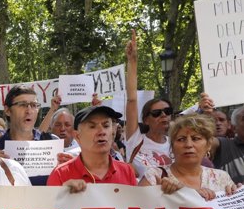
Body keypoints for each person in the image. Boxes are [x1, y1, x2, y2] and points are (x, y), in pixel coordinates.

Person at [139, 114, 237, 199]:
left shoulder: (222, 178)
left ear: (208, 145)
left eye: (196, 138)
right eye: (181, 139)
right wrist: (162, 194)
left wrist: (237, 194)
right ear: (172, 147)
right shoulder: (154, 177)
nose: (188, 144)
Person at [47, 106, 136, 192]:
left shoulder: (126, 171)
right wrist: (62, 194)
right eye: (92, 126)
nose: (102, 132)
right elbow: (48, 206)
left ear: (113, 132)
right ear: (77, 136)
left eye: (106, 126)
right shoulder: (60, 174)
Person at [124, 30, 173, 179]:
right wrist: (132, 62)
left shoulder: (177, 143)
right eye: (157, 113)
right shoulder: (136, 139)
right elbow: (132, 100)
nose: (163, 115)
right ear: (146, 119)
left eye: (167, 111)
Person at [0, 85, 59, 185]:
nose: (29, 111)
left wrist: (67, 167)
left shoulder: (52, 143)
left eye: (34, 105)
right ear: (7, 110)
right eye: (22, 105)